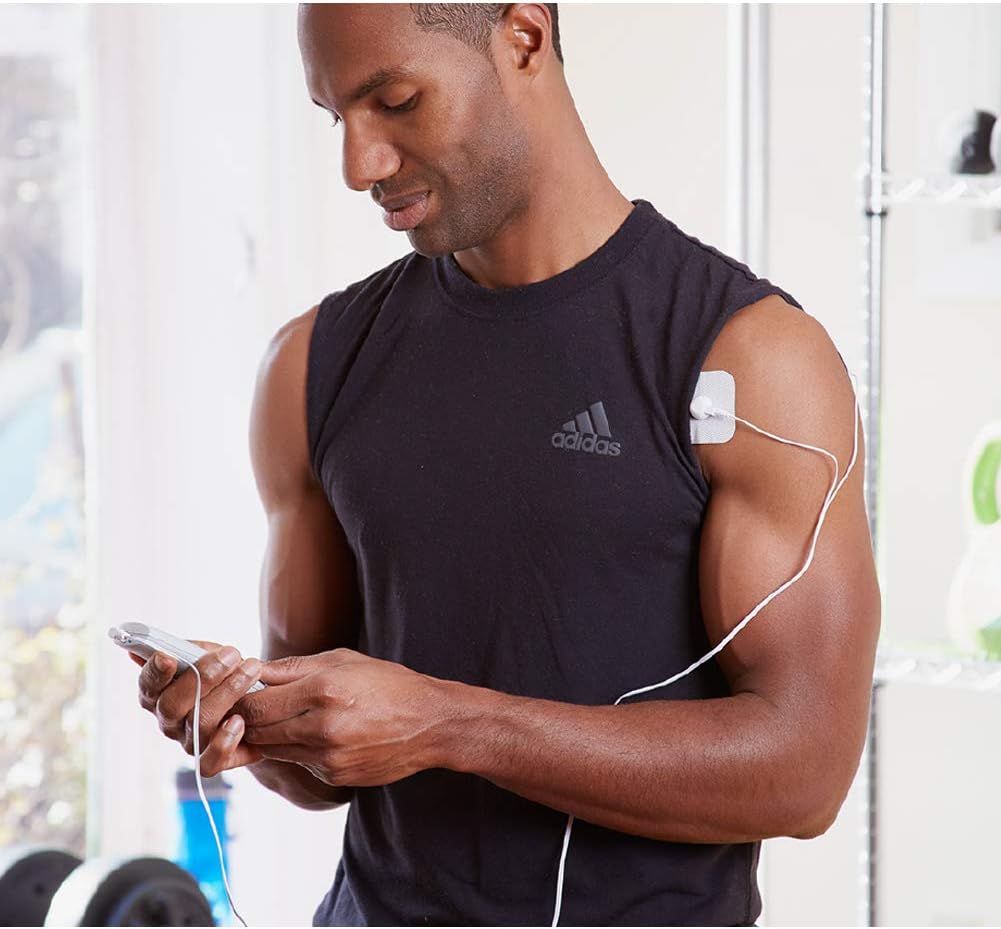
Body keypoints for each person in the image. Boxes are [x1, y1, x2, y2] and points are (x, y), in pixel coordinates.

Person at [133, 4, 881, 925]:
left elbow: (804, 771)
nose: (359, 165)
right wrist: (247, 718)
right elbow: (320, 774)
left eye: (396, 101)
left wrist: (452, 725)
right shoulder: (310, 364)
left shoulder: (751, 362)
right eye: (337, 118)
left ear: (522, 38)